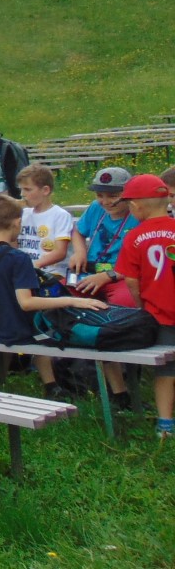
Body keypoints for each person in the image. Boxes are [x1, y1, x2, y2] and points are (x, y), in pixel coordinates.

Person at [0, 195, 108, 401]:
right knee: (44, 330)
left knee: (23, 331)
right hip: (20, 328)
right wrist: (73, 300)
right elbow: (27, 303)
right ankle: (52, 386)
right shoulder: (19, 258)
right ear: (17, 222)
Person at [112, 174, 175, 439]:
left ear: (136, 206)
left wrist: (142, 306)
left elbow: (131, 280)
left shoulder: (134, 236)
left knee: (166, 370)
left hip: (159, 314)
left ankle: (165, 424)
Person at [70, 167, 137, 306]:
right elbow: (78, 231)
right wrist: (80, 252)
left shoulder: (138, 214)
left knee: (124, 302)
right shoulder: (96, 207)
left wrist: (108, 276)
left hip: (120, 275)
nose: (105, 202)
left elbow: (140, 263)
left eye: (113, 196)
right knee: (58, 292)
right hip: (90, 271)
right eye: (100, 195)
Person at [14, 164, 75, 276]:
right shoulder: (23, 214)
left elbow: (60, 252)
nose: (22, 194)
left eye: (27, 189)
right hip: (24, 271)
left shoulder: (60, 215)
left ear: (45, 190)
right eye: (21, 189)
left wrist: (33, 266)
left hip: (51, 273)